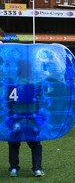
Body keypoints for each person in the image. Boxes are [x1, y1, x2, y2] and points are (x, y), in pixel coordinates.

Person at [2, 28, 44, 177]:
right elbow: (40, 100)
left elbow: (8, 102)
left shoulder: (12, 84)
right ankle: (37, 168)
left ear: (18, 70)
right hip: (31, 119)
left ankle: (14, 168)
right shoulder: (35, 84)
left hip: (16, 118)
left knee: (14, 143)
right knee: (35, 144)